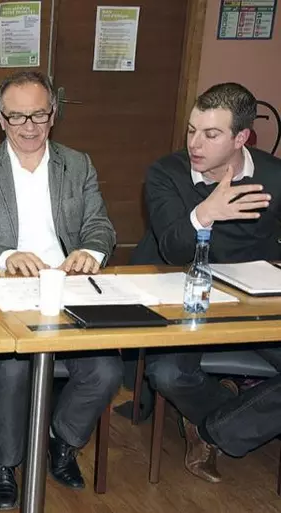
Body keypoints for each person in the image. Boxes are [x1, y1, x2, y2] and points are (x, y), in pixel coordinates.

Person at [0, 71, 122, 506]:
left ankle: (59, 440)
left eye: (39, 115)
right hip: (8, 294)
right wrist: (7, 257)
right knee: (11, 369)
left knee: (106, 370)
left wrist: (91, 254)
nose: (29, 126)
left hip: (69, 288)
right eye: (17, 117)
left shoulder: (77, 164)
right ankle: (4, 462)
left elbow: (100, 226)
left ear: (54, 114)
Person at [134, 82, 281, 483]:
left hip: (253, 301)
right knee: (166, 374)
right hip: (178, 292)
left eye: (211, 134)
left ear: (241, 137)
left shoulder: (274, 176)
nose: (195, 143)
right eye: (191, 130)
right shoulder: (168, 172)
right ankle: (230, 411)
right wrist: (206, 212)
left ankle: (212, 428)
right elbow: (173, 248)